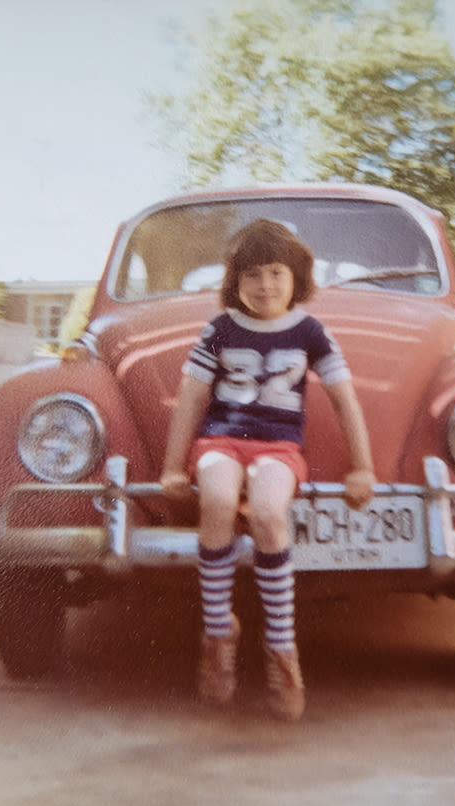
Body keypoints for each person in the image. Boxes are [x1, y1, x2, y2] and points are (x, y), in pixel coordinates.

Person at [160, 219, 376, 721]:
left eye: (277, 272)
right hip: (220, 440)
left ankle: (282, 647)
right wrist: (173, 466)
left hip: (279, 447)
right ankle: (218, 632)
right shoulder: (220, 329)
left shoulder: (309, 331)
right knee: (213, 499)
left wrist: (362, 466)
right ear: (234, 281)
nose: (265, 285)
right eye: (253, 274)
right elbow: (192, 395)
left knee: (268, 515)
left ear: (296, 276)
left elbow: (345, 398)